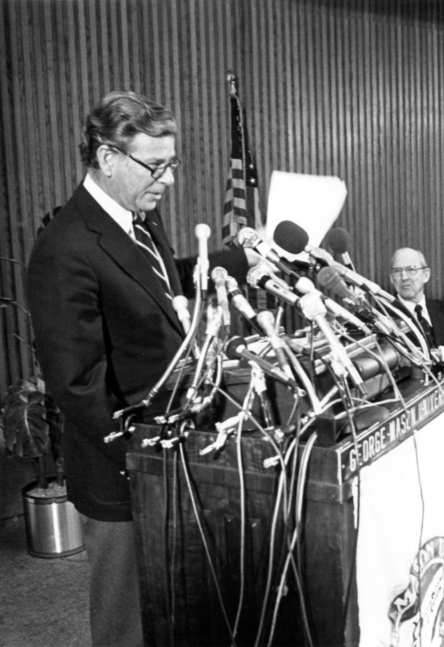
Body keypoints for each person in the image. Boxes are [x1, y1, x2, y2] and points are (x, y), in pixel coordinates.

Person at [25, 91, 255, 647]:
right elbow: (76, 384)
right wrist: (143, 456)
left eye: (171, 165)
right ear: (108, 158)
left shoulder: (138, 220)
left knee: (179, 603)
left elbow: (160, 284)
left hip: (173, 449)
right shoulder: (65, 248)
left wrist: (241, 259)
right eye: (157, 165)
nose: (168, 179)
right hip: (124, 469)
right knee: (127, 620)